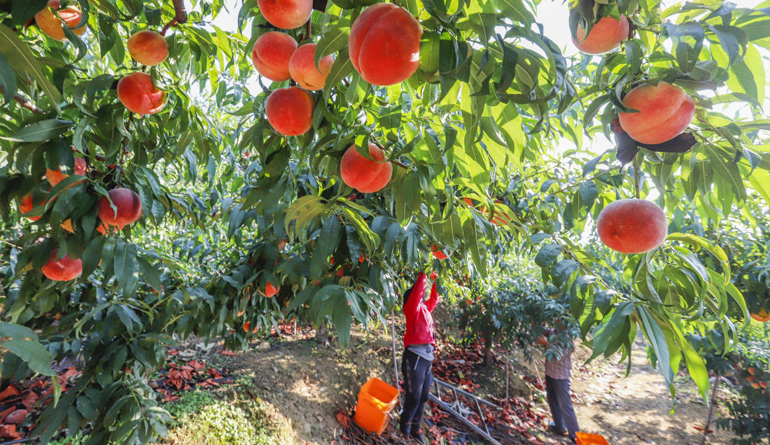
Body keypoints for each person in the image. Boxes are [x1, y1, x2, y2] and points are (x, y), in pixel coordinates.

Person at [399, 271, 439, 444]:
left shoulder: (424, 309)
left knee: (423, 396)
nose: (420, 300)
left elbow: (434, 299)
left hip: (427, 358)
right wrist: (424, 275)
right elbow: (417, 294)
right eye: (417, 298)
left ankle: (416, 428)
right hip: (414, 357)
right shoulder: (411, 310)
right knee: (413, 396)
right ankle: (404, 429)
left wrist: (436, 281)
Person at [541, 327, 579, 444]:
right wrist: (534, 323)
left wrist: (546, 343)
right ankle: (560, 428)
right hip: (550, 373)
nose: (556, 321)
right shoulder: (553, 331)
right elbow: (543, 330)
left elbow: (559, 353)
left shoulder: (567, 337)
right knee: (552, 401)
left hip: (561, 377)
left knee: (565, 405)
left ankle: (575, 436)